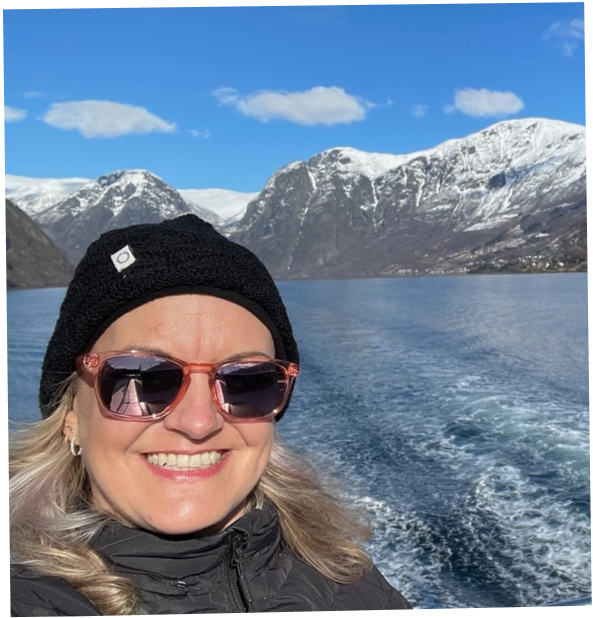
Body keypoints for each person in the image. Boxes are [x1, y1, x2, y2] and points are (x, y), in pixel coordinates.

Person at [9, 214, 412, 615]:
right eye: (144, 380)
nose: (199, 422)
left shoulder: (344, 575)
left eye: (245, 382)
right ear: (71, 413)